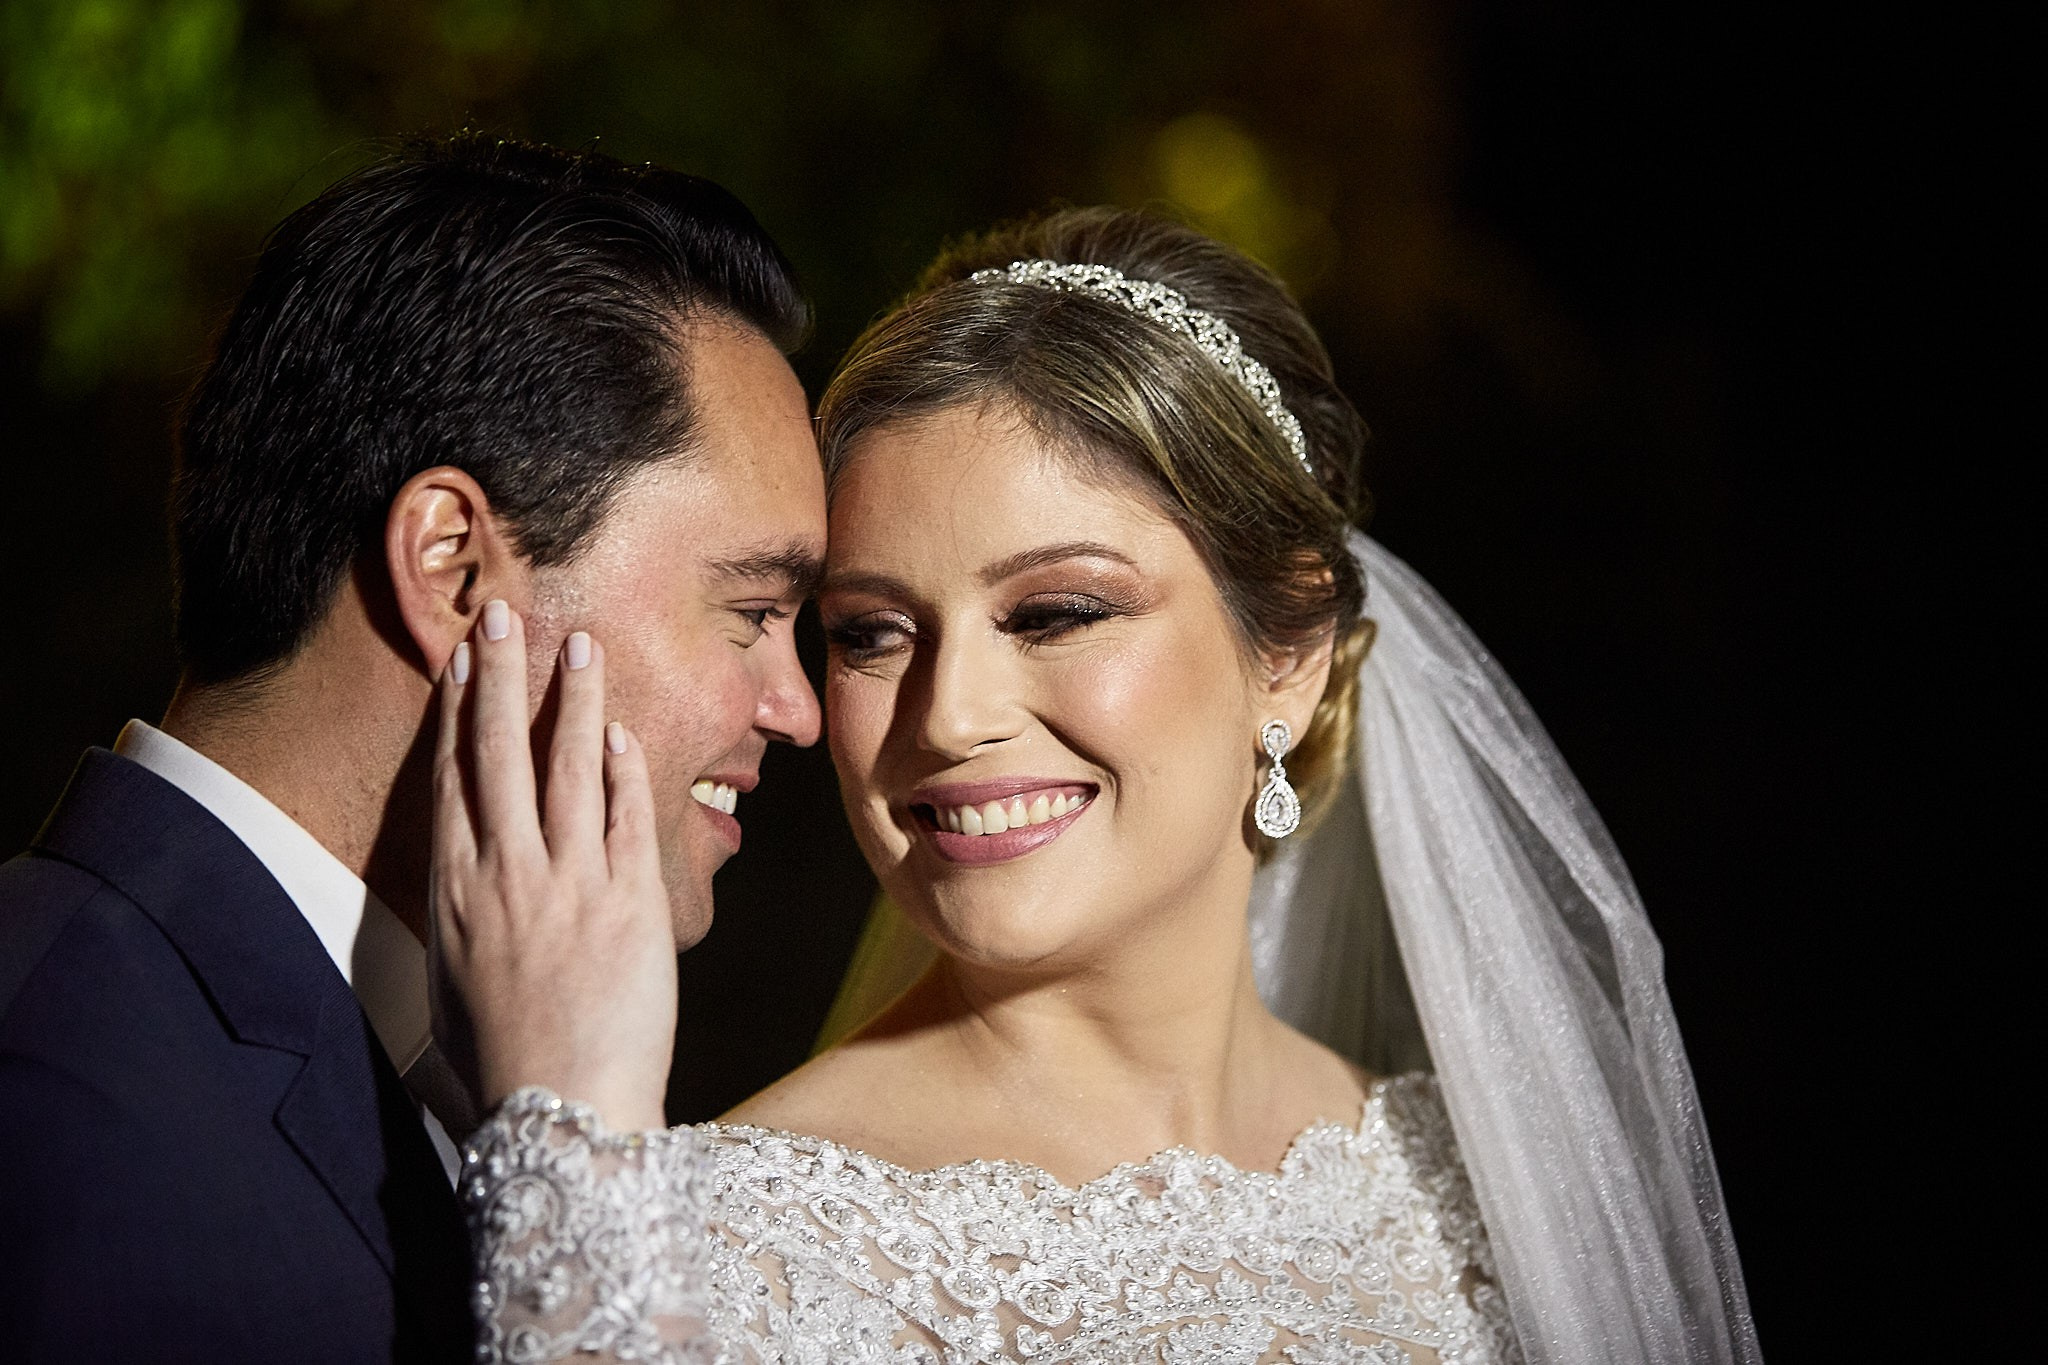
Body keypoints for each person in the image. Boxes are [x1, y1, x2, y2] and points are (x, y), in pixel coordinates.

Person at [439, 209, 1761, 1363]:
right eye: (870, 633)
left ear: (1286, 655)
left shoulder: (1488, 1177)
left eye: (1058, 611)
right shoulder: (719, 1252)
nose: (948, 716)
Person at [0, 133, 825, 1362]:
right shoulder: (54, 1099)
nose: (797, 708)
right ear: (452, 568)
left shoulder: (396, 1044)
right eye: (753, 612)